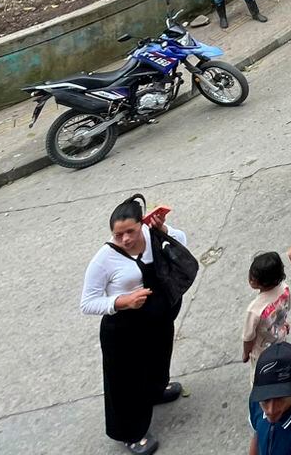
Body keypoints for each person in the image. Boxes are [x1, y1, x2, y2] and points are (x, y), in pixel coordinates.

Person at [80, 195, 189, 455]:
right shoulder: (104, 259)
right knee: (125, 382)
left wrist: (162, 230)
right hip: (123, 330)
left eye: (130, 231)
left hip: (156, 319)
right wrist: (122, 301)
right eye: (118, 235)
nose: (126, 239)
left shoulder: (152, 236)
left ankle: (156, 391)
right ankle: (130, 432)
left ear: (142, 224)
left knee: (158, 360)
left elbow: (182, 244)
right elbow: (87, 303)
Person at [242, 251, 291, 363]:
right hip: (281, 340)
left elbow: (248, 337)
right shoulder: (284, 289)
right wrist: (283, 323)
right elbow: (285, 309)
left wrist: (246, 354)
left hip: (262, 354)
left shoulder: (255, 309)